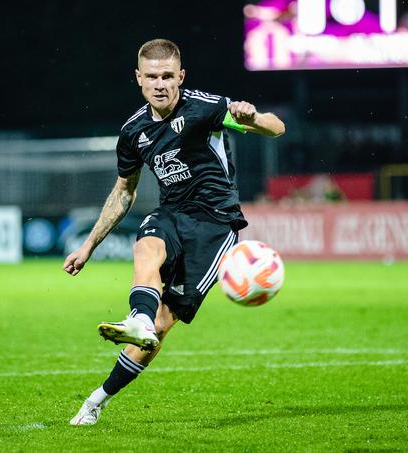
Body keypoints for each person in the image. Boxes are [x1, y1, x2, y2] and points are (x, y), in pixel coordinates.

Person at [63, 38, 285, 426]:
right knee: (147, 247)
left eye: (168, 76)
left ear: (181, 76)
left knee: (163, 326)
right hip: (172, 213)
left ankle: (97, 399)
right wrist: (88, 245)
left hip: (216, 224)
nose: (161, 84)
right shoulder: (133, 132)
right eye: (152, 77)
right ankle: (138, 319)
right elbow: (124, 192)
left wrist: (251, 117)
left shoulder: (206, 108)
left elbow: (277, 127)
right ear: (138, 79)